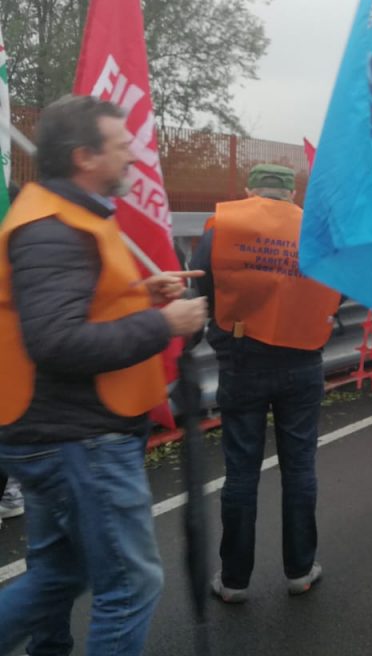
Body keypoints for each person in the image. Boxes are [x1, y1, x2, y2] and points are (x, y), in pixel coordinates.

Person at [0, 95, 208, 656]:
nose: (134, 160)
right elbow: (56, 341)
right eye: (122, 148)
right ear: (84, 156)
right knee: (132, 582)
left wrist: (139, 295)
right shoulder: (52, 229)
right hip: (76, 438)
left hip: (62, 432)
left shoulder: (69, 214)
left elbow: (71, 308)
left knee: (58, 577)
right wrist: (163, 322)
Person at [191, 163, 341, 603]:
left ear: (250, 189)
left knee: (240, 472)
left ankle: (234, 580)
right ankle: (299, 571)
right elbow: (339, 289)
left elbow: (201, 288)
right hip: (303, 359)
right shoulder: (317, 231)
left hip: (242, 360)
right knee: (299, 468)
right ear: (292, 193)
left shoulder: (224, 225)